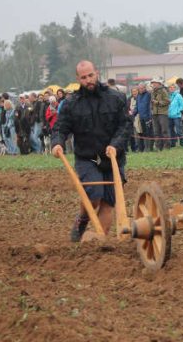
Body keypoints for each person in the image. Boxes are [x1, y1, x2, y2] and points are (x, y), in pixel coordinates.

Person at [51, 60, 131, 242]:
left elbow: (125, 126)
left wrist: (115, 145)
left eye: (90, 75)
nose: (88, 80)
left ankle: (99, 241)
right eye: (84, 77)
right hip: (87, 157)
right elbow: (60, 128)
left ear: (97, 73)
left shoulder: (115, 98)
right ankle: (83, 219)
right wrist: (57, 143)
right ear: (78, 79)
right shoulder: (71, 103)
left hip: (112, 156)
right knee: (94, 194)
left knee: (108, 201)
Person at [150, 78, 170, 150]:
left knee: (164, 131)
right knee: (156, 131)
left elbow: (167, 101)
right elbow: (151, 102)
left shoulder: (163, 91)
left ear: (159, 83)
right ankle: (158, 147)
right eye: (153, 83)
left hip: (162, 113)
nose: (153, 84)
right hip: (154, 113)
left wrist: (158, 102)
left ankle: (166, 146)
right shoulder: (152, 92)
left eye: (155, 83)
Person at [133, 83, 153, 152]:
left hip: (148, 117)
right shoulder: (138, 96)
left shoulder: (148, 94)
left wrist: (150, 118)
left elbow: (149, 106)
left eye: (142, 88)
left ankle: (150, 148)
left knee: (149, 133)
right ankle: (146, 148)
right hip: (141, 117)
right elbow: (137, 106)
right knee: (144, 132)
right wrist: (133, 113)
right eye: (139, 88)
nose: (140, 90)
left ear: (145, 88)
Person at [167, 83, 183, 148]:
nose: (171, 89)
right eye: (170, 87)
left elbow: (182, 105)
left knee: (179, 130)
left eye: (172, 87)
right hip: (169, 116)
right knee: (171, 131)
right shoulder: (168, 96)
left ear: (175, 88)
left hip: (177, 116)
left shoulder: (178, 96)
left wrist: (178, 112)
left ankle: (182, 143)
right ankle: (173, 143)